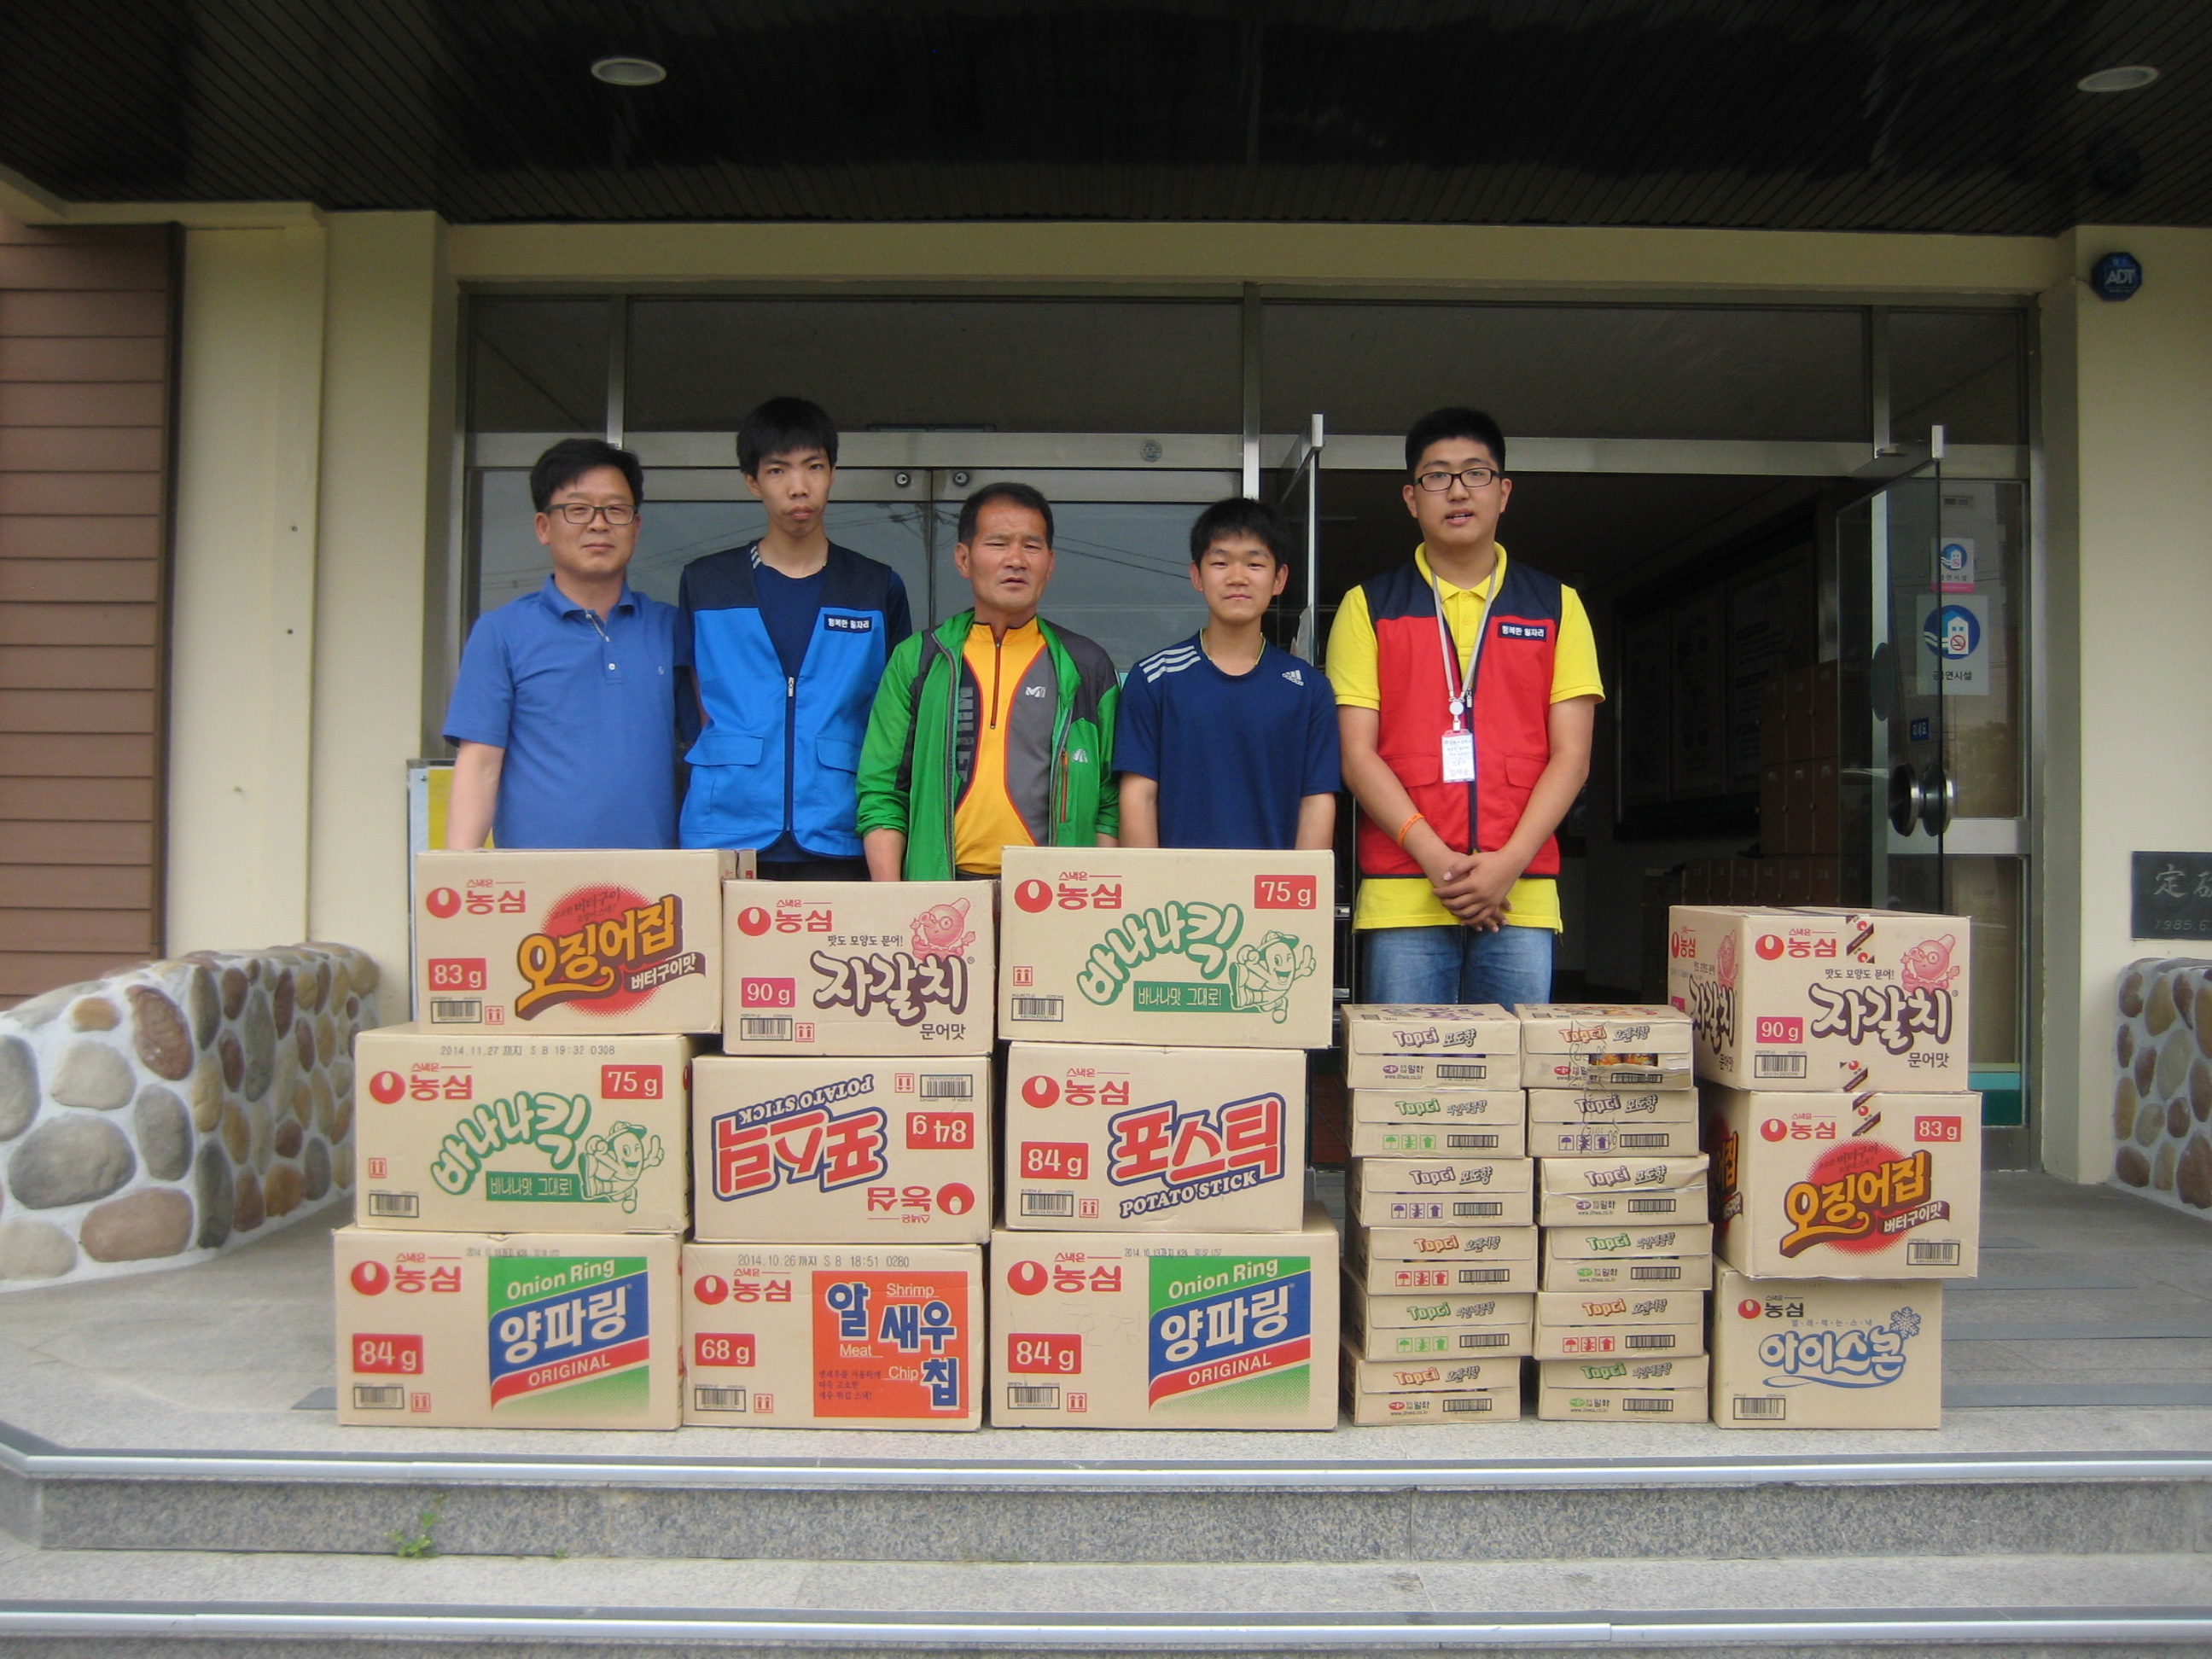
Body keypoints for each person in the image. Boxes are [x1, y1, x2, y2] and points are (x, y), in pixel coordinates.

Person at [1325, 407, 1604, 1005]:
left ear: (1503, 492)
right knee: (1404, 1062)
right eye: (1437, 476)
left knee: (1512, 1062)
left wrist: (1509, 863)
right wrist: (1436, 858)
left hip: (1520, 891)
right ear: (1411, 498)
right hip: (1405, 891)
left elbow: (1573, 756)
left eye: (1476, 473)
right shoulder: (1367, 606)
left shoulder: (1557, 605)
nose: (1457, 491)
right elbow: (1356, 755)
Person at [677, 397, 912, 879]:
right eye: (778, 470)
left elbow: (894, 717)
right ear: (752, 481)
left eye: (814, 467)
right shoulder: (708, 582)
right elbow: (694, 703)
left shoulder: (873, 586)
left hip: (840, 828)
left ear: (833, 473)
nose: (798, 486)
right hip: (726, 830)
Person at [857, 482, 1119, 880]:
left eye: (1031, 546)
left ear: (1050, 564)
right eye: (998, 544)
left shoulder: (1086, 664)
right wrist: (895, 898)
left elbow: (1109, 801)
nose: (1016, 560)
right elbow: (882, 791)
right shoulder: (920, 658)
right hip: (940, 892)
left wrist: (1094, 895)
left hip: (1052, 894)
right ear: (963, 559)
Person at [443, 438, 683, 849]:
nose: (599, 524)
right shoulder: (502, 632)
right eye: (578, 509)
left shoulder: (670, 628)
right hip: (539, 876)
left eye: (616, 510)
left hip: (654, 877)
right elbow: (480, 764)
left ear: (636, 527)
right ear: (544, 527)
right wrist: (457, 876)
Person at [1115, 498, 1339, 851]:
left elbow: (1316, 801)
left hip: (1271, 883)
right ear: (1197, 576)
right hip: (1178, 885)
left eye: (1254, 564)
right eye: (1220, 563)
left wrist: (1301, 885)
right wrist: (1152, 883)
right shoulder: (1155, 679)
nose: (1237, 578)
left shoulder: (1308, 688)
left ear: (1279, 578)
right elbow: (1139, 796)